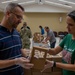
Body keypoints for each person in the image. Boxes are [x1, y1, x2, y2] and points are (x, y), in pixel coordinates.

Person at [0, 3, 33, 75]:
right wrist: (16, 61)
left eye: (21, 18)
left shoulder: (16, 33)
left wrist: (27, 57)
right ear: (8, 14)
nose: (20, 21)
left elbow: (19, 49)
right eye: (18, 17)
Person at [41, 10, 75, 75]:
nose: (67, 27)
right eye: (67, 24)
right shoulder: (68, 37)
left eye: (70, 25)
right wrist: (44, 49)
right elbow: (55, 51)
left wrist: (54, 64)